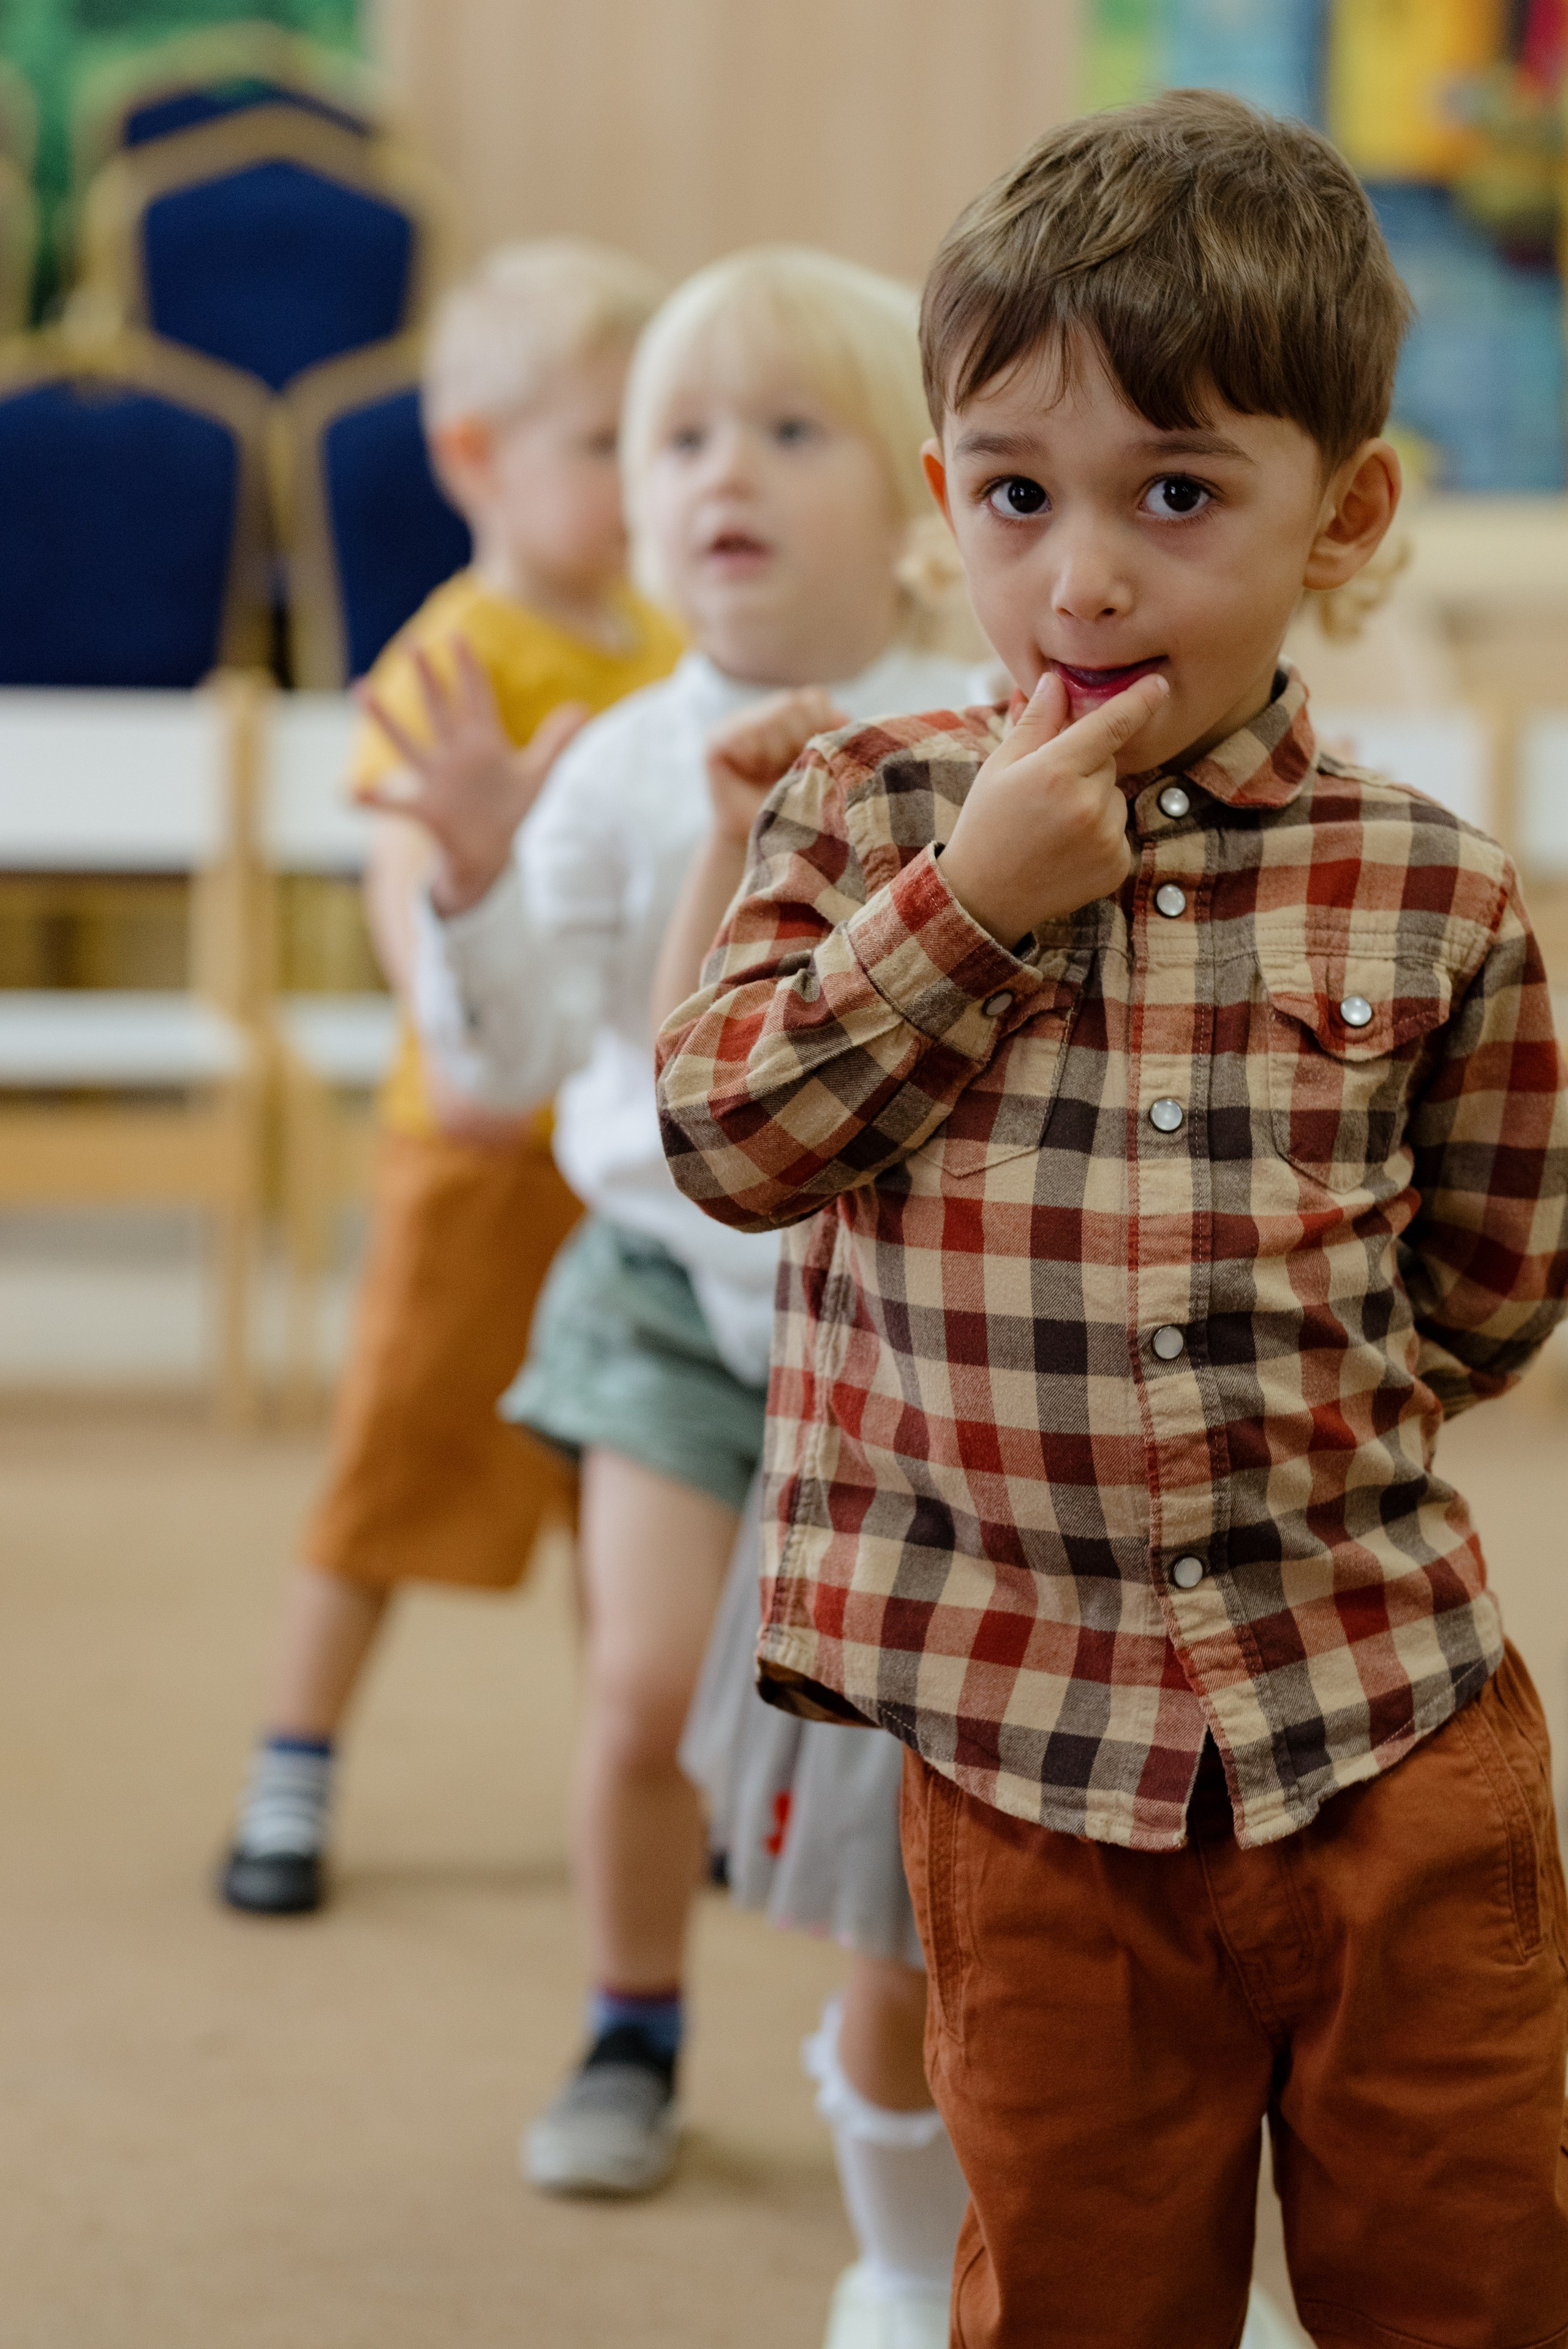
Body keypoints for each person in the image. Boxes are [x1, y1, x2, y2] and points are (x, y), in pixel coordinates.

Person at [656, 93, 1568, 2349]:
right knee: (1078, 2281)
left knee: (1467, 2264)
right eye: (1014, 493)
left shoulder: (1439, 886)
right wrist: (965, 913)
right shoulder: (866, 809)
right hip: (1027, 1753)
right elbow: (729, 1139)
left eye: (1178, 494)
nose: (1080, 575)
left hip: (1386, 1728)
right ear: (949, 485)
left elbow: (1487, 1287)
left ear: (1340, 513)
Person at [396, 249, 981, 2296]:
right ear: (632, 507)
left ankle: (904, 2091)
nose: (725, 471)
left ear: (920, 494)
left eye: (789, 431)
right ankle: (632, 2022)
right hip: (659, 1294)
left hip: (892, 1326)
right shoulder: (622, 765)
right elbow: (504, 1068)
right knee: (647, 1689)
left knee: (890, 1755)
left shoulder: (966, 737)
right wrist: (469, 885)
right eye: (679, 437)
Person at [220, 238, 681, 1917]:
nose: (643, 480)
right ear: (477, 454)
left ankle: (647, 1768)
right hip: (480, 1152)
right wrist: (460, 1018)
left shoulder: (660, 647)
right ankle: (294, 1766)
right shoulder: (454, 655)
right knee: (393, 1464)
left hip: (625, 1157)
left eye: (658, 441)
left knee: (631, 1476)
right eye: (603, 443)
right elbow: (406, 873)